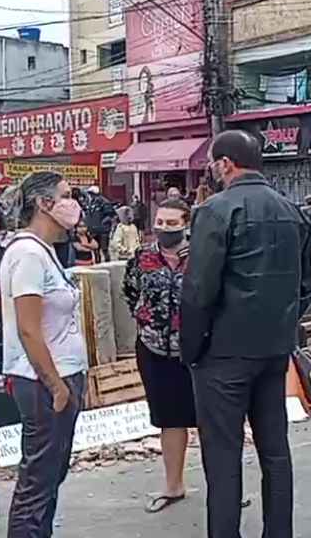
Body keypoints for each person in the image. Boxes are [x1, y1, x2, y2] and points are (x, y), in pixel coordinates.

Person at [180, 130, 311, 538]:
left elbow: (199, 291)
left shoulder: (216, 211)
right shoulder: (293, 211)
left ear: (225, 164)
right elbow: (306, 287)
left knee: (223, 458)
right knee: (275, 450)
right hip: (274, 352)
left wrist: (192, 349)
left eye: (213, 164)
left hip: (223, 354)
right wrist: (282, 328)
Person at [0, 171, 87, 538]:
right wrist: (56, 385)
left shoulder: (44, 252)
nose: (73, 203)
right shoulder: (28, 254)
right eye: (66, 195)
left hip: (61, 375)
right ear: (44, 204)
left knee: (51, 473)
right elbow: (28, 328)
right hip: (42, 381)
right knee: (37, 479)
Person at [122, 199, 197, 513]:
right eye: (160, 222)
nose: (165, 228)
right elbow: (129, 292)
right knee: (169, 419)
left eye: (172, 222)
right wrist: (145, 319)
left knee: (212, 420)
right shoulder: (143, 256)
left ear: (186, 223)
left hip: (197, 351)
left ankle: (225, 487)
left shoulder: (200, 255)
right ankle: (173, 485)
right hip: (154, 350)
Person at [82, 185, 116, 263]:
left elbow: (110, 214)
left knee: (104, 249)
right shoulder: (90, 202)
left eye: (91, 193)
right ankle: (98, 263)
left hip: (103, 230)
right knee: (95, 249)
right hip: (93, 230)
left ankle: (108, 264)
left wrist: (102, 224)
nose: (90, 195)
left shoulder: (104, 202)